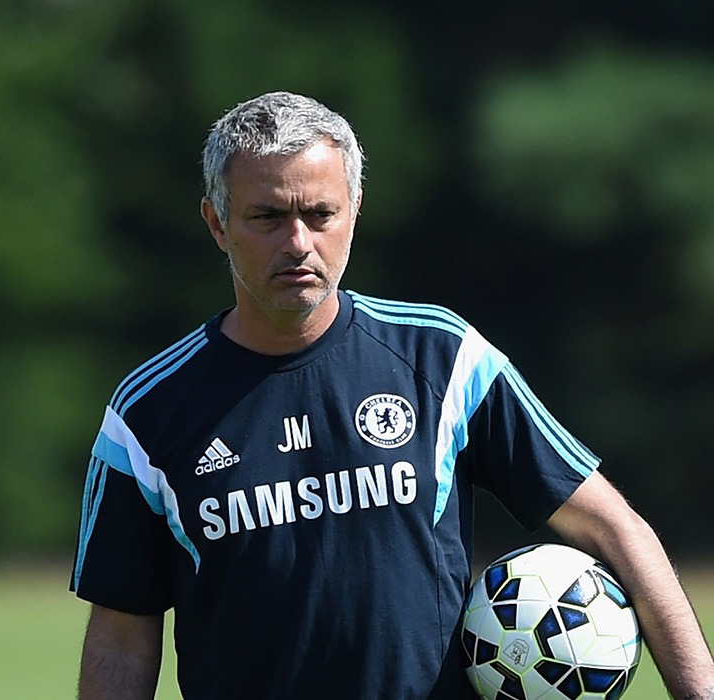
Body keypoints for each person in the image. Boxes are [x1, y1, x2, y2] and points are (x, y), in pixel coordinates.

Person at [70, 91, 714, 699]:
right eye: (267, 216)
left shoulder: (443, 358)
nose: (297, 243)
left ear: (354, 210)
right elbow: (121, 638)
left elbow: (613, 528)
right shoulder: (147, 411)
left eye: (319, 214)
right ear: (217, 222)